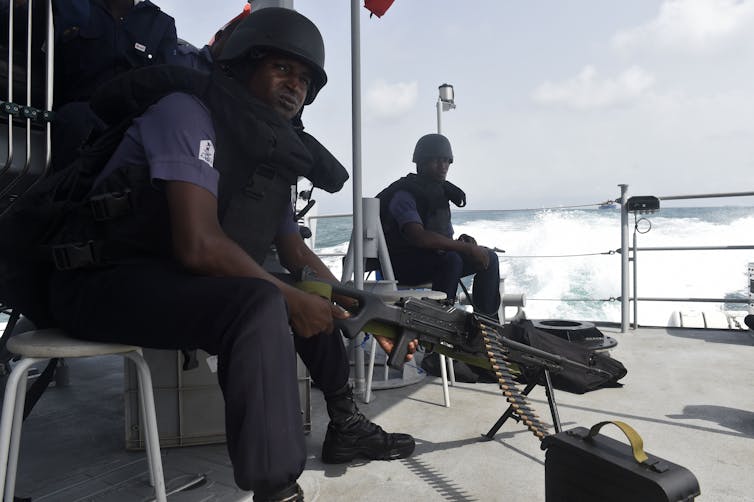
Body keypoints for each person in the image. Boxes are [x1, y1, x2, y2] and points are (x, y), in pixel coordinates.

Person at [46, 8, 414, 502]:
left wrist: (362, 310)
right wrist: (291, 299)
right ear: (242, 64)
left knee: (309, 292)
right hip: (98, 283)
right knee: (263, 302)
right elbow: (198, 245)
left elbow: (295, 251)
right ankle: (276, 489)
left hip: (170, 284)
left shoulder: (266, 150)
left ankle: (345, 422)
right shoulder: (187, 113)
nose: (295, 86)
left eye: (304, 79)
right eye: (281, 68)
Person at [377, 133, 501, 318]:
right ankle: (441, 320)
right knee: (452, 260)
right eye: (436, 160)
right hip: (402, 265)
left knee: (489, 257)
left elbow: (439, 238)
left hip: (434, 260)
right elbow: (418, 237)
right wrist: (466, 248)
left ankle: (486, 322)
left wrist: (463, 243)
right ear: (421, 162)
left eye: (446, 161)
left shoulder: (439, 192)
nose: (443, 166)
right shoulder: (404, 195)